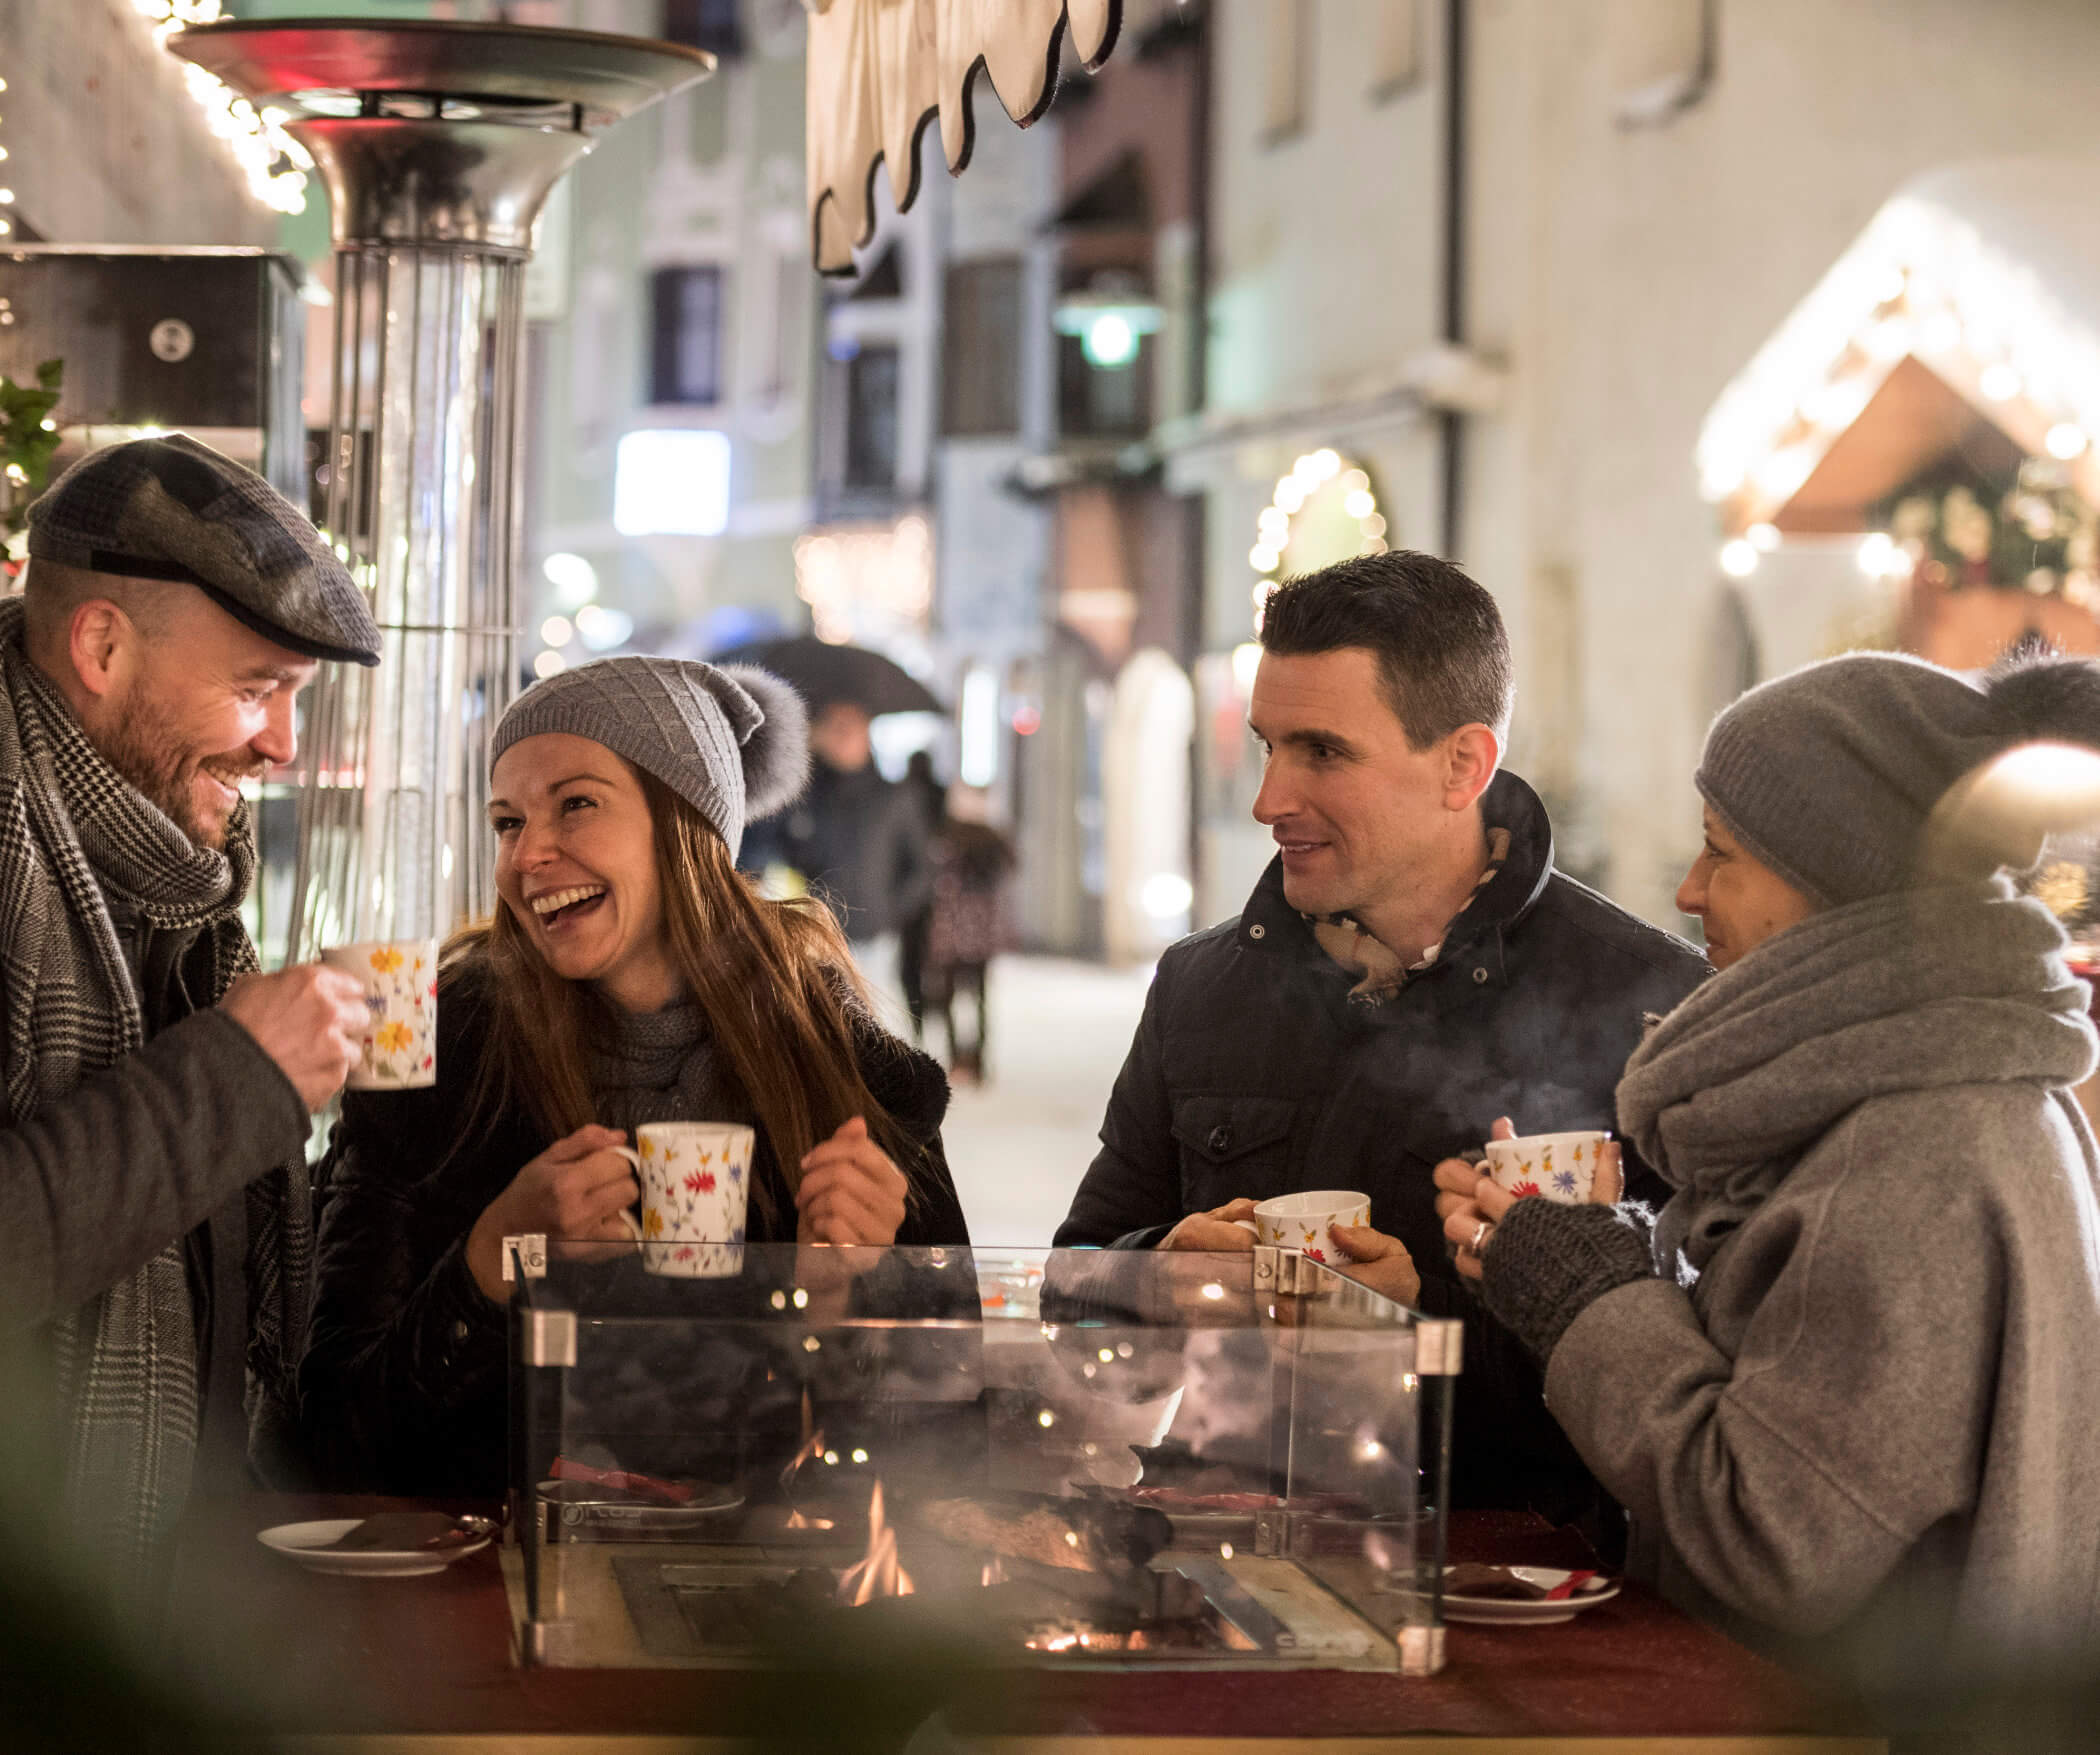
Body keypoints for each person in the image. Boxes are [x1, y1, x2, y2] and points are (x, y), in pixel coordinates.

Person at [1433, 650, 2100, 1694]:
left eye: (1723, 853)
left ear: (1843, 895)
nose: (1691, 891)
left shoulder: (1917, 1148)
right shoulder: (1951, 1085)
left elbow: (1774, 1537)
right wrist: (1606, 1266)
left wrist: (1586, 1293)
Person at [1054, 551, 1710, 1520]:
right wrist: (1160, 1271)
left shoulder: (1651, 1007)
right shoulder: (1203, 986)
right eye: (1267, 743)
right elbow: (1073, 1298)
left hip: (1517, 1605)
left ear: (1463, 765)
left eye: (1322, 752)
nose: (1268, 798)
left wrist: (1419, 1332)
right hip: (1220, 1569)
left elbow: (1688, 1398)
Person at [303, 655, 971, 1495]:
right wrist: (487, 1265)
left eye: (575, 804)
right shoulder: (438, 1061)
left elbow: (950, 1441)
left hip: (750, 1604)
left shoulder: (844, 1073)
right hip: (491, 1592)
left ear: (684, 822)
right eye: (507, 822)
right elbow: (325, 1437)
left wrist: (835, 1305)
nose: (527, 855)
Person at [0, 434, 380, 1595]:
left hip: (162, 1598)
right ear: (101, 646)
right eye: (257, 690)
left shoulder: (178, 872)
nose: (283, 745)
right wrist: (240, 1077)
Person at [741, 698, 934, 947]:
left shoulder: (894, 797)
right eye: (833, 726)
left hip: (872, 937)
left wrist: (887, 915)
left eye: (848, 727)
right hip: (812, 932)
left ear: (866, 732)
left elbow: (920, 869)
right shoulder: (802, 794)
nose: (841, 736)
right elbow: (765, 845)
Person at [924, 786, 1015, 1082]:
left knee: (950, 998)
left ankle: (956, 1058)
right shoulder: (994, 840)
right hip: (981, 935)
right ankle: (978, 1061)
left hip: (953, 932)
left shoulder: (948, 838)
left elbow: (937, 883)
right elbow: (1011, 870)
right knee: (979, 999)